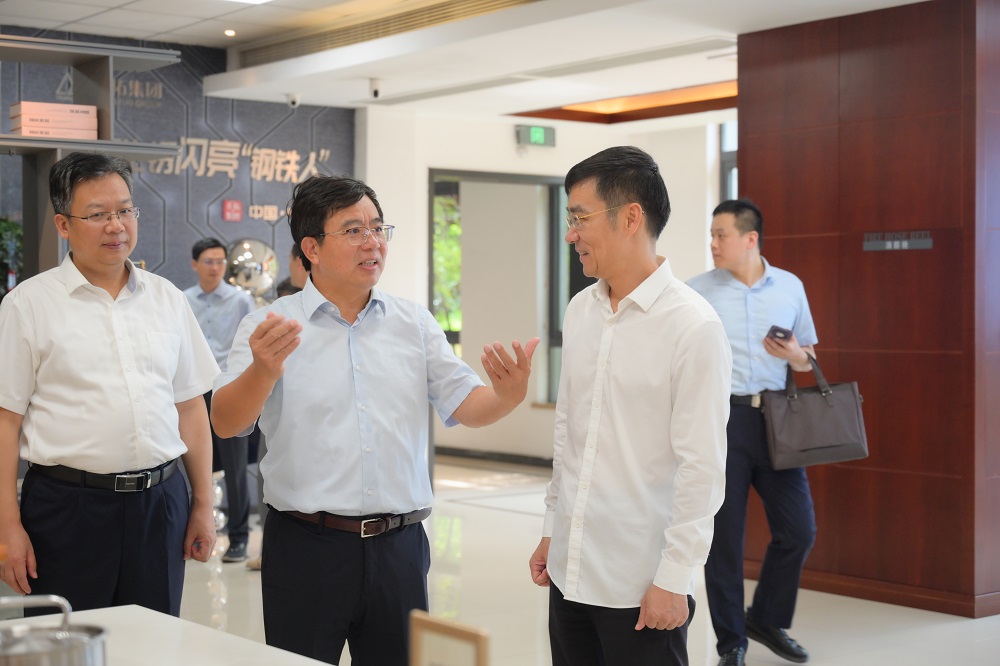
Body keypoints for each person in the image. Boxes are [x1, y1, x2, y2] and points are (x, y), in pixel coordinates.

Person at [211, 174, 539, 665]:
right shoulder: (269, 326)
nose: (372, 242)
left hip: (399, 548)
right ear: (311, 248)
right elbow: (226, 423)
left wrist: (507, 397)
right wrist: (262, 371)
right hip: (306, 547)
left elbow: (466, 403)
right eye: (353, 230)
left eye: (378, 228)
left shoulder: (413, 323)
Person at [529, 146, 732, 666]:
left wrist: (675, 577)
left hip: (641, 584)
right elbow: (569, 433)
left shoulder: (693, 326)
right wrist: (553, 530)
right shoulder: (581, 310)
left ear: (631, 217)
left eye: (580, 218)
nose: (571, 234)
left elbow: (702, 467)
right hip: (571, 569)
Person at [0, 152, 218, 615]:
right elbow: (5, 421)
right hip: (67, 510)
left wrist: (202, 503)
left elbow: (190, 406)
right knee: (67, 642)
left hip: (161, 503)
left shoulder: (167, 298)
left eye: (124, 210)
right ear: (63, 225)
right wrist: (7, 526)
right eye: (98, 214)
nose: (116, 226)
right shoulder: (27, 305)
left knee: (155, 641)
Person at [687, 199, 818, 666]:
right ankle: (732, 643)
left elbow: (808, 359)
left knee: (799, 530)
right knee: (725, 540)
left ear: (750, 239)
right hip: (722, 420)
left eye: (720, 234)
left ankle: (765, 619)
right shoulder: (697, 292)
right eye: (711, 234)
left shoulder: (790, 287)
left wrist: (794, 355)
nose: (713, 243)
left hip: (777, 419)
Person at [184, 237, 256, 563]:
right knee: (190, 463)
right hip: (193, 392)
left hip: (229, 389)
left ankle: (239, 538)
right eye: (209, 261)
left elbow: (252, 343)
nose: (215, 268)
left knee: (235, 468)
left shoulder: (241, 300)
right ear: (195, 264)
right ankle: (192, 531)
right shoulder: (183, 300)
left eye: (220, 262)